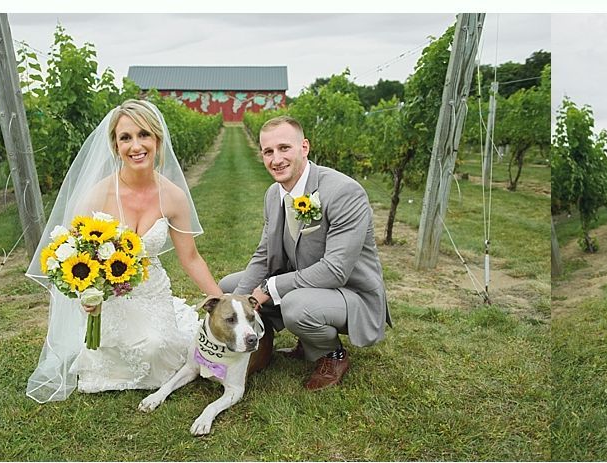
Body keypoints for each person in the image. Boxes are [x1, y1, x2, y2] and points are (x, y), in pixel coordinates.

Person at [25, 99, 222, 403]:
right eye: (125, 138)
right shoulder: (98, 194)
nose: (136, 145)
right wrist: (87, 295)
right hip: (109, 296)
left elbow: (191, 257)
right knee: (109, 349)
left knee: (156, 347)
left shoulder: (173, 196)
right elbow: (72, 256)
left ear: (157, 140)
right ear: (115, 146)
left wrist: (221, 302)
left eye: (144, 135)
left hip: (152, 289)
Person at [219, 116, 391, 391]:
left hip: (350, 292)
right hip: (306, 282)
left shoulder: (344, 191)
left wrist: (269, 287)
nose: (276, 159)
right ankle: (264, 348)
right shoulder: (273, 194)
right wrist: (233, 302)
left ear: (304, 148)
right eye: (268, 152)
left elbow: (336, 270)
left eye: (284, 148)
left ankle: (333, 355)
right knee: (229, 286)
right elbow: (264, 254)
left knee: (295, 305)